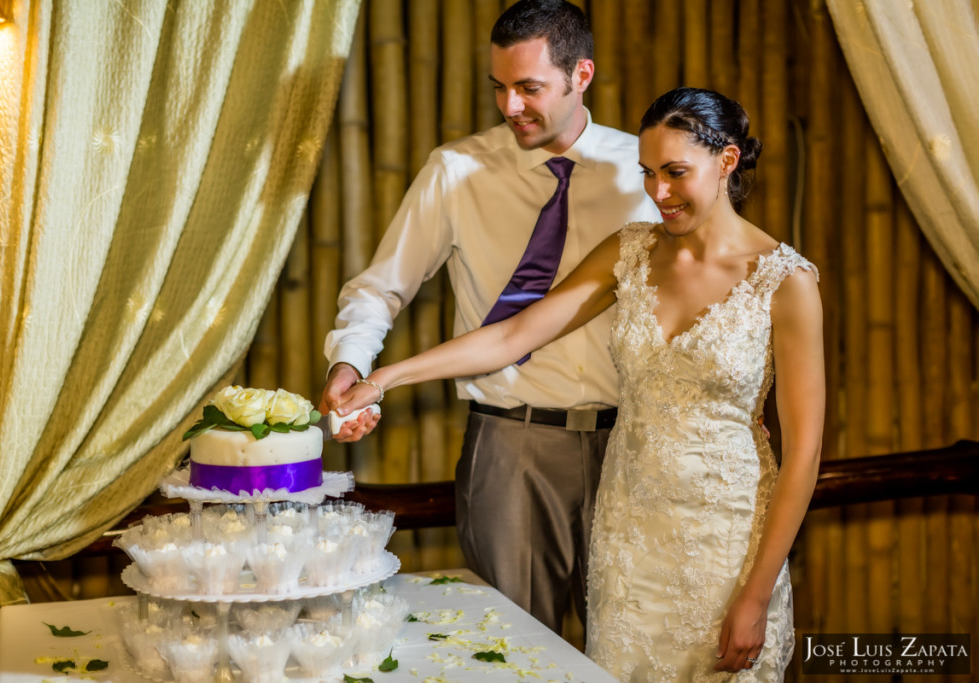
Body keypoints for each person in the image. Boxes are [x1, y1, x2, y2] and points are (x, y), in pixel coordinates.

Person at [334, 87, 824, 680]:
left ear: (727, 161)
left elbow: (803, 453)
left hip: (727, 542)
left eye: (675, 173)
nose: (658, 193)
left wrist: (755, 592)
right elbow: (513, 336)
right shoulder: (630, 251)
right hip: (629, 539)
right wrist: (385, 377)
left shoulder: (785, 281)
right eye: (648, 173)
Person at [319, 0, 659, 633]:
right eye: (499, 88)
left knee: (629, 647)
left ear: (580, 75)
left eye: (529, 88)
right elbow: (378, 290)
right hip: (512, 444)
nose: (510, 107)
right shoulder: (457, 171)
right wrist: (351, 363)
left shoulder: (647, 172)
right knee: (518, 651)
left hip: (634, 445)